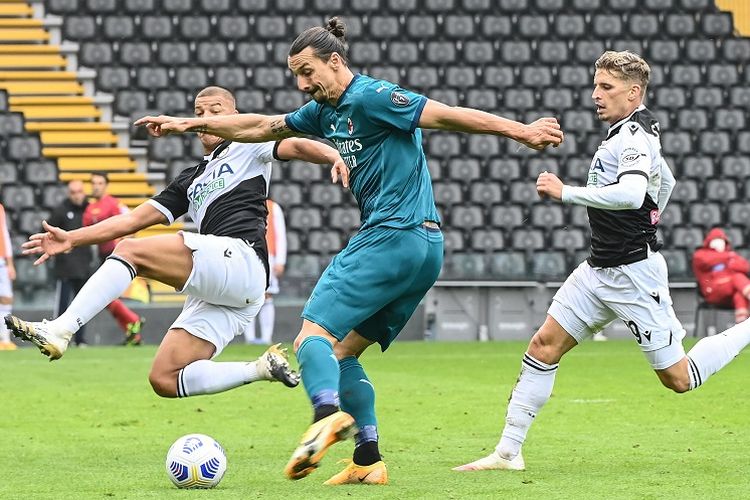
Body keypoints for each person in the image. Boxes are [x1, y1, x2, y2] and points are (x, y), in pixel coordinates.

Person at [134, 17, 563, 485]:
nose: (301, 84)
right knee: (342, 353)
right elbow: (261, 126)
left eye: (307, 71)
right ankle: (367, 458)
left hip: (391, 235)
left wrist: (520, 131)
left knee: (310, 338)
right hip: (424, 247)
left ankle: (325, 415)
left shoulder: (373, 96)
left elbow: (446, 114)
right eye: (295, 75)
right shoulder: (322, 112)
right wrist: (190, 124)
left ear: (335, 61)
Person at [454, 50, 750, 473]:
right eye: (596, 85)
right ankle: (507, 452)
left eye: (606, 88)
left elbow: (631, 194)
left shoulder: (631, 136)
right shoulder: (631, 130)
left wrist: (565, 192)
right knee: (544, 345)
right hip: (598, 269)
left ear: (633, 93)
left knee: (678, 379)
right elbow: (665, 180)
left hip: (633, 273)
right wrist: (650, 215)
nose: (596, 94)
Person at [6, 85, 349, 402]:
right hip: (231, 293)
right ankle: (260, 368)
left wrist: (332, 155)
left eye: (215, 110)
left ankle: (62, 328)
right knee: (165, 378)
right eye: (199, 113)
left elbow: (297, 144)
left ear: (234, 115)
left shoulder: (250, 144)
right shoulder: (190, 179)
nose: (205, 119)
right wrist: (72, 239)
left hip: (243, 260)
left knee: (130, 250)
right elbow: (130, 220)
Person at [83, 171, 145, 345]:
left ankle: (133, 321)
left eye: (100, 183)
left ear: (106, 185)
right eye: (94, 182)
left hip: (114, 255)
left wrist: (126, 244)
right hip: (100, 257)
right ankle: (133, 331)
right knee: (106, 298)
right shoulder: (89, 209)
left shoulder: (114, 204)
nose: (96, 186)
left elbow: (133, 223)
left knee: (106, 296)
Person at [48, 180, 95, 347]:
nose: (77, 195)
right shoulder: (61, 211)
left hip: (84, 266)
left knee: (83, 306)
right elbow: (49, 234)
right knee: (62, 306)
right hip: (65, 268)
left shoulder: (90, 210)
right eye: (74, 192)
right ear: (69, 194)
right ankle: (54, 338)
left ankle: (80, 340)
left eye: (80, 191)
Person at [243, 198, 286, 345]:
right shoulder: (243, 204)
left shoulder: (273, 207)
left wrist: (280, 260)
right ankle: (249, 338)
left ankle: (266, 338)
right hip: (248, 254)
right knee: (248, 295)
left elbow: (280, 235)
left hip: (269, 256)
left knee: (267, 295)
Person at [693, 228, 750, 323]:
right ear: (709, 241)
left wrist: (728, 258)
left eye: (722, 241)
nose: (720, 243)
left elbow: (745, 267)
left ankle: (742, 325)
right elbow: (706, 261)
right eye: (716, 240)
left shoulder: (729, 254)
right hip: (712, 293)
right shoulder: (700, 254)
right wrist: (728, 257)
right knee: (737, 277)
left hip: (729, 293)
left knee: (739, 294)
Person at [0, 203, 16, 351]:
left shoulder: (0, 208)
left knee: (6, 297)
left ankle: (5, 339)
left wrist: (10, 263)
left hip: (1, 261)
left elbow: (4, 235)